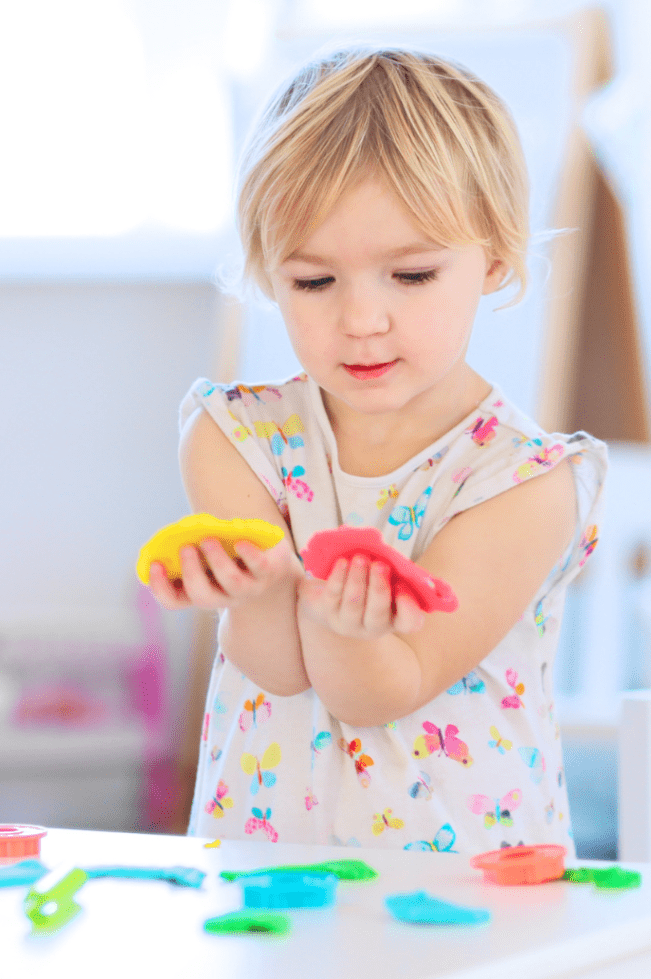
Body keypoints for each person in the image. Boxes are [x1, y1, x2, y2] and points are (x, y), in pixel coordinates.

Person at [146, 47, 606, 853]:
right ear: (268, 274)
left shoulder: (524, 482)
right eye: (314, 283)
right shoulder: (235, 439)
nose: (360, 320)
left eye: (412, 275)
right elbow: (276, 667)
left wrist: (336, 618)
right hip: (268, 873)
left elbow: (387, 688)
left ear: (495, 259)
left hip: (468, 881)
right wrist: (261, 589)